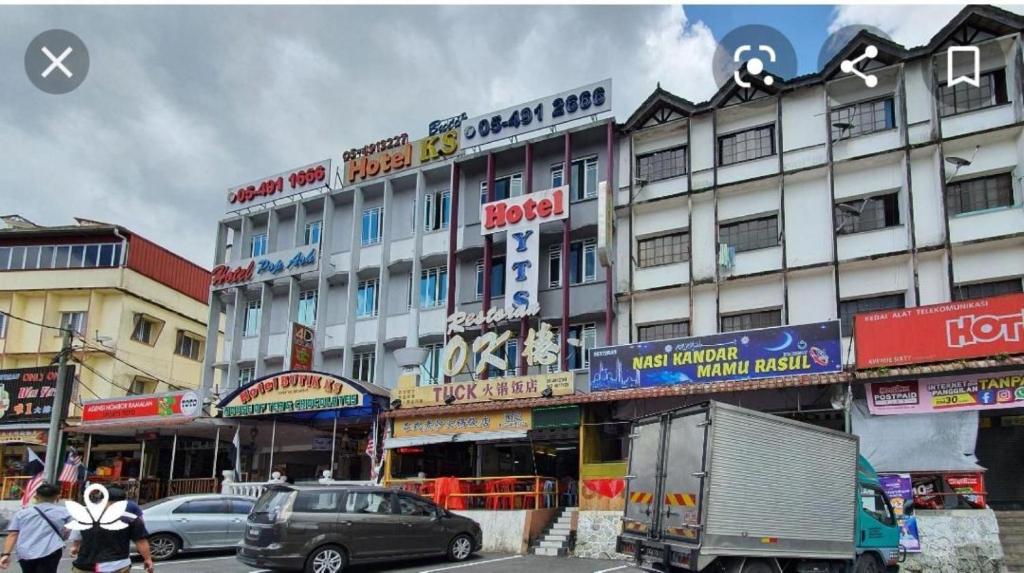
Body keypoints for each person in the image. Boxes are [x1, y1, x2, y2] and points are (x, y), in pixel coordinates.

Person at [70, 486, 155, 573]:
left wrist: (75, 547)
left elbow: (77, 535)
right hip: (118, 565)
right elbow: (141, 541)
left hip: (86, 564)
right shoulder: (131, 519)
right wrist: (148, 559)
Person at [0, 482, 69, 573]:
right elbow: (67, 531)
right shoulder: (65, 513)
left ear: (36, 497)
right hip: (51, 551)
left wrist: (6, 554)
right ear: (57, 497)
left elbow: (13, 534)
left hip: (25, 552)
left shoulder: (22, 513)